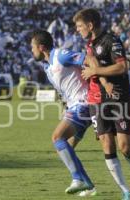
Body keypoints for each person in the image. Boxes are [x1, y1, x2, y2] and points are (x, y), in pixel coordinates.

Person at [73, 8, 130, 200]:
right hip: (97, 100)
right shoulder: (89, 46)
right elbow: (94, 69)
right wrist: (98, 77)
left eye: (80, 26)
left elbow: (122, 66)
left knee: (125, 147)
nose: (77, 30)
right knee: (107, 143)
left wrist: (96, 72)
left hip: (119, 98)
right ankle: (125, 191)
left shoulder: (111, 41)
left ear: (90, 25)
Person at [30, 30, 96, 197]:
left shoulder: (61, 55)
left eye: (33, 47)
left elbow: (87, 59)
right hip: (74, 106)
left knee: (57, 138)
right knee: (67, 148)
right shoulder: (47, 66)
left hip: (84, 104)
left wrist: (95, 77)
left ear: (42, 47)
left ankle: (78, 179)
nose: (31, 51)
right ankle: (88, 185)